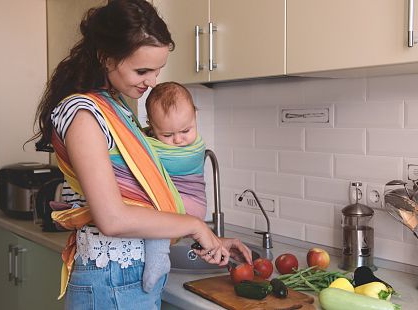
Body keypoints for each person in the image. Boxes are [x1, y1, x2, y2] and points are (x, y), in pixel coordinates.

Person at [30, 1, 252, 309]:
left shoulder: (116, 108)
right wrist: (195, 225)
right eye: (142, 70)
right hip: (111, 280)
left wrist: (213, 239)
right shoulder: (83, 113)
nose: (152, 82)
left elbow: (142, 199)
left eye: (157, 70)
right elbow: (113, 218)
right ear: (106, 58)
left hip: (125, 276)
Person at [141, 81, 207, 292]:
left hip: (187, 204)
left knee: (153, 218)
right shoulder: (170, 138)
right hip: (187, 206)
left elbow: (137, 150)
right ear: (151, 126)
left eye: (186, 130)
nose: (179, 140)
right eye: (167, 135)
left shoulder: (193, 149)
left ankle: (158, 258)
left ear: (195, 116)